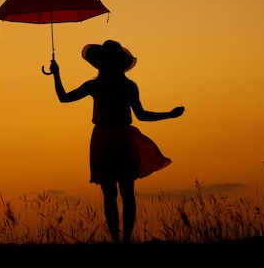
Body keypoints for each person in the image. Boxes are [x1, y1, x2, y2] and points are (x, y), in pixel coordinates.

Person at [48, 39, 184, 244]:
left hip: (108, 139)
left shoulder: (99, 85)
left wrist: (57, 74)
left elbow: (63, 98)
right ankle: (123, 240)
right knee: (123, 192)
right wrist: (169, 115)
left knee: (113, 193)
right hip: (115, 138)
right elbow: (142, 115)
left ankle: (119, 240)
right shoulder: (125, 85)